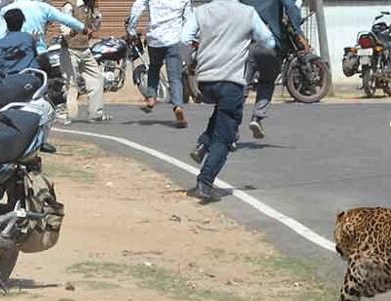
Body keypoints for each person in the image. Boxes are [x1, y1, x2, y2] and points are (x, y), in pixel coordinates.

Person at [181, 0, 274, 202]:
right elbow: (268, 41)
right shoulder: (247, 13)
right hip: (231, 81)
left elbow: (184, 38)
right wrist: (250, 39)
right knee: (226, 136)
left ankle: (203, 143)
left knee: (222, 114)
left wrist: (190, 61)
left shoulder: (201, 11)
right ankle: (204, 183)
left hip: (205, 81)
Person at [240, 0, 307, 139]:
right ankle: (257, 118)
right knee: (267, 81)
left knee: (242, 86)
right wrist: (299, 33)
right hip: (270, 43)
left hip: (246, 43)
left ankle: (232, 128)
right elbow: (290, 7)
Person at [127, 0, 191, 128]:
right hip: (174, 38)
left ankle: (151, 98)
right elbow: (189, 18)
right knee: (174, 77)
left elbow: (136, 9)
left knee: (154, 68)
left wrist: (132, 30)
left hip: (155, 39)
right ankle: (178, 106)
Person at [58, 0, 112, 123]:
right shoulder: (70, 6)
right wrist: (75, 31)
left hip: (85, 49)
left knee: (97, 78)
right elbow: (63, 27)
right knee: (71, 82)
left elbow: (95, 27)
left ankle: (95, 113)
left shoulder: (90, 7)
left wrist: (97, 14)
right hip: (69, 49)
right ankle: (66, 114)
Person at [0, 0, 89, 55]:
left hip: (14, 55)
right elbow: (66, 19)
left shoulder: (6, 10)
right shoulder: (42, 7)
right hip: (39, 53)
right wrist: (82, 28)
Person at [0, 8, 38, 75]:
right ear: (22, 22)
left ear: (6, 22)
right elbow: (35, 55)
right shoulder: (28, 38)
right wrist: (34, 41)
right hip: (28, 78)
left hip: (7, 79)